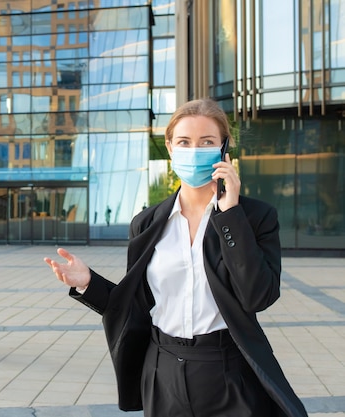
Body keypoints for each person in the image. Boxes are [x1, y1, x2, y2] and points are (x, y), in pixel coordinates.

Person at [44, 98, 308, 417]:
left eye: (206, 142)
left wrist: (231, 216)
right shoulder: (147, 222)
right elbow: (135, 308)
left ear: (224, 149)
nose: (194, 150)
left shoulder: (255, 218)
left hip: (228, 373)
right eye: (184, 141)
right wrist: (88, 283)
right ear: (170, 147)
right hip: (163, 370)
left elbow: (259, 297)